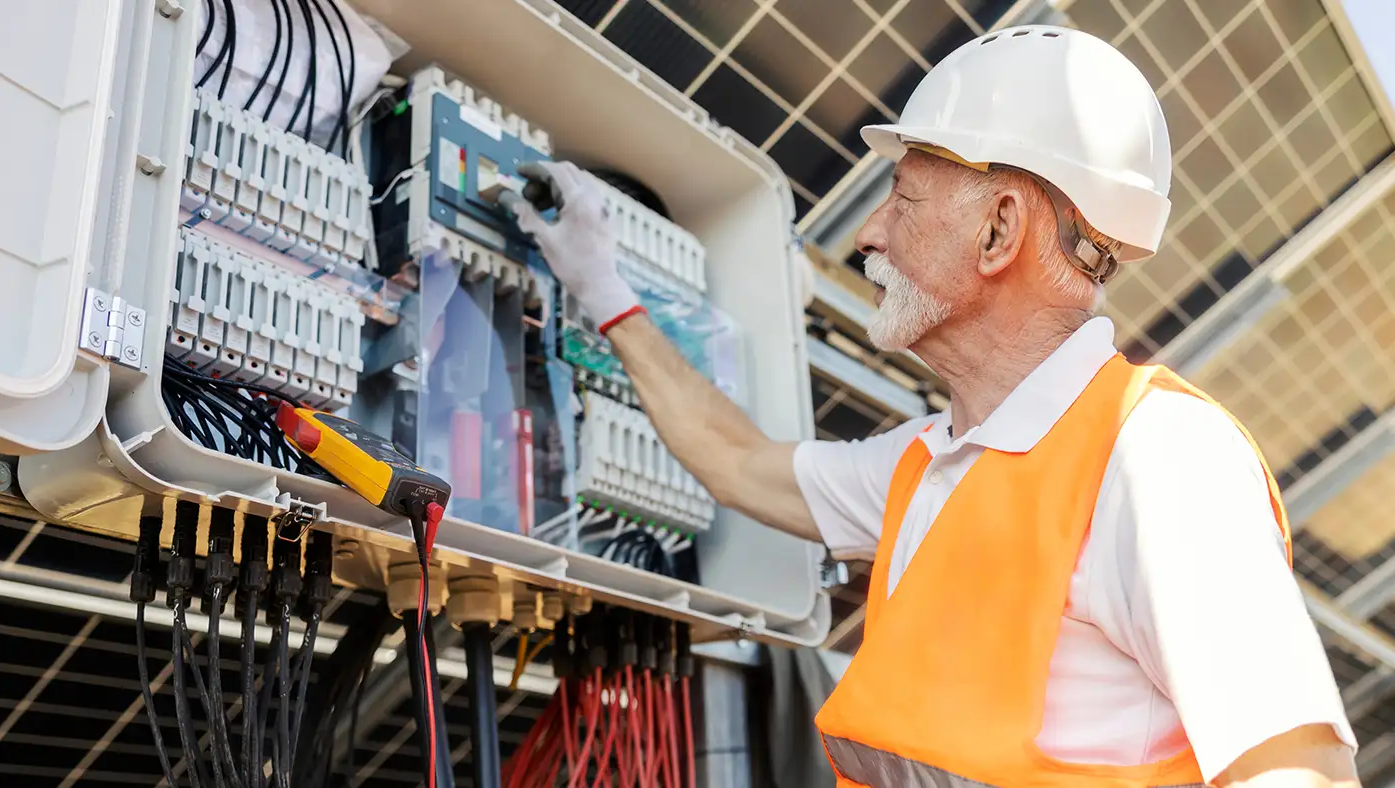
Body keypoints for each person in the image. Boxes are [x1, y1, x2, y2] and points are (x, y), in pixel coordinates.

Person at [511, 24, 1360, 788]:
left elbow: (1297, 773)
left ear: (999, 230)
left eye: (904, 201)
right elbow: (737, 462)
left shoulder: (1158, 457)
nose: (868, 234)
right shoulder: (928, 465)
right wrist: (607, 291)